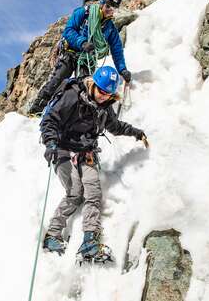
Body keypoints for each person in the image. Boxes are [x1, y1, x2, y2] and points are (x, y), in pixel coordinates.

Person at [40, 66, 146, 262]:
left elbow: (115, 126)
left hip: (86, 151)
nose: (104, 97)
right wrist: (51, 143)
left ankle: (90, 240)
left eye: (109, 94)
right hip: (62, 148)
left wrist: (136, 132)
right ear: (93, 84)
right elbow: (49, 120)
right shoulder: (72, 95)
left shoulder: (105, 106)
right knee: (75, 193)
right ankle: (52, 235)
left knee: (94, 193)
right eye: (102, 92)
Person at [29, 0, 131, 115]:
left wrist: (122, 69)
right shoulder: (84, 13)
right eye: (109, 5)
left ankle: (76, 117)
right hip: (71, 52)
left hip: (87, 59)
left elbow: (116, 49)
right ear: (102, 1)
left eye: (114, 8)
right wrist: (82, 42)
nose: (110, 10)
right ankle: (35, 111)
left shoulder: (110, 28)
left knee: (85, 88)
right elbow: (69, 31)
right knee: (58, 80)